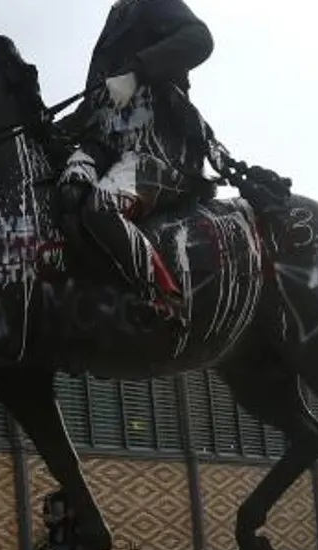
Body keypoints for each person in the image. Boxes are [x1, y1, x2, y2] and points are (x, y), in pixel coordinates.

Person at [54, 0, 214, 328]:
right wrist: (49, 127)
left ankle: (164, 297)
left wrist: (138, 70)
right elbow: (97, 105)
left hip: (157, 149)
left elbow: (200, 39)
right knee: (67, 190)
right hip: (108, 148)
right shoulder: (116, 16)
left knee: (104, 206)